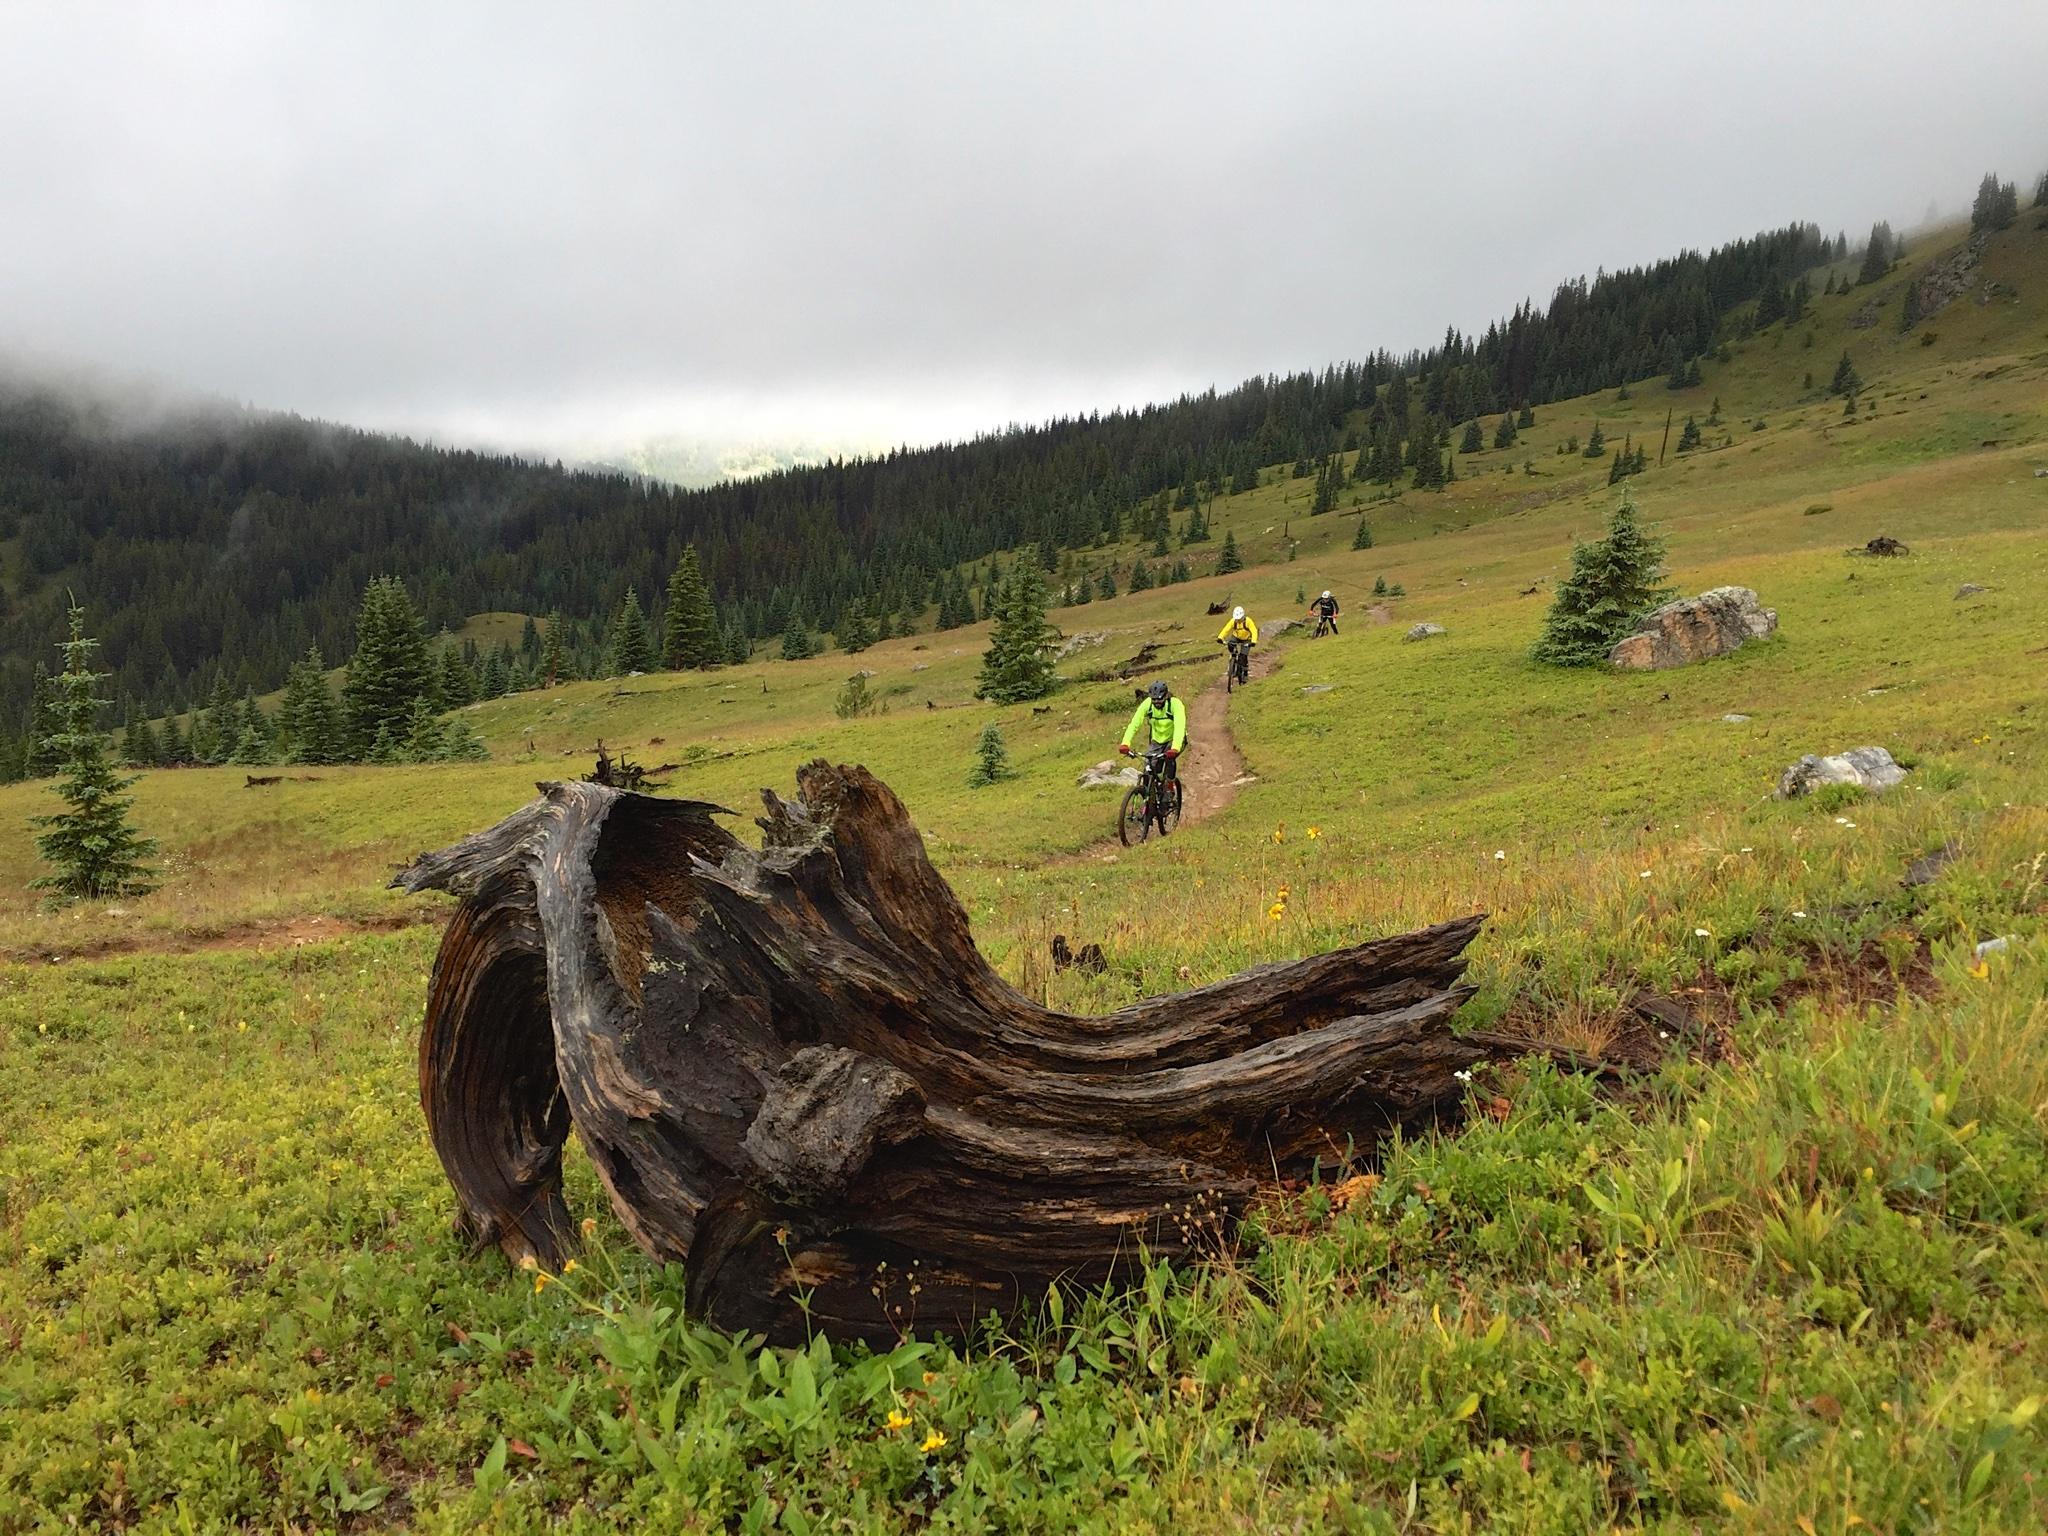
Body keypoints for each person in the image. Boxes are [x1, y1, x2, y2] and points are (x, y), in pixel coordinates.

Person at [1118, 679, 1187, 794]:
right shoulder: (1147, 704)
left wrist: (1175, 748)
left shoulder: (1175, 704)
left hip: (1174, 740)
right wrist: (1125, 743)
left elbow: (1180, 727)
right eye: (1154, 700)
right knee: (1149, 767)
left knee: (1169, 761)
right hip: (1157, 741)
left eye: (1159, 699)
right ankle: (1148, 799)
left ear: (1166, 696)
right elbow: (1134, 724)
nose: (1156, 703)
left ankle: (1170, 789)